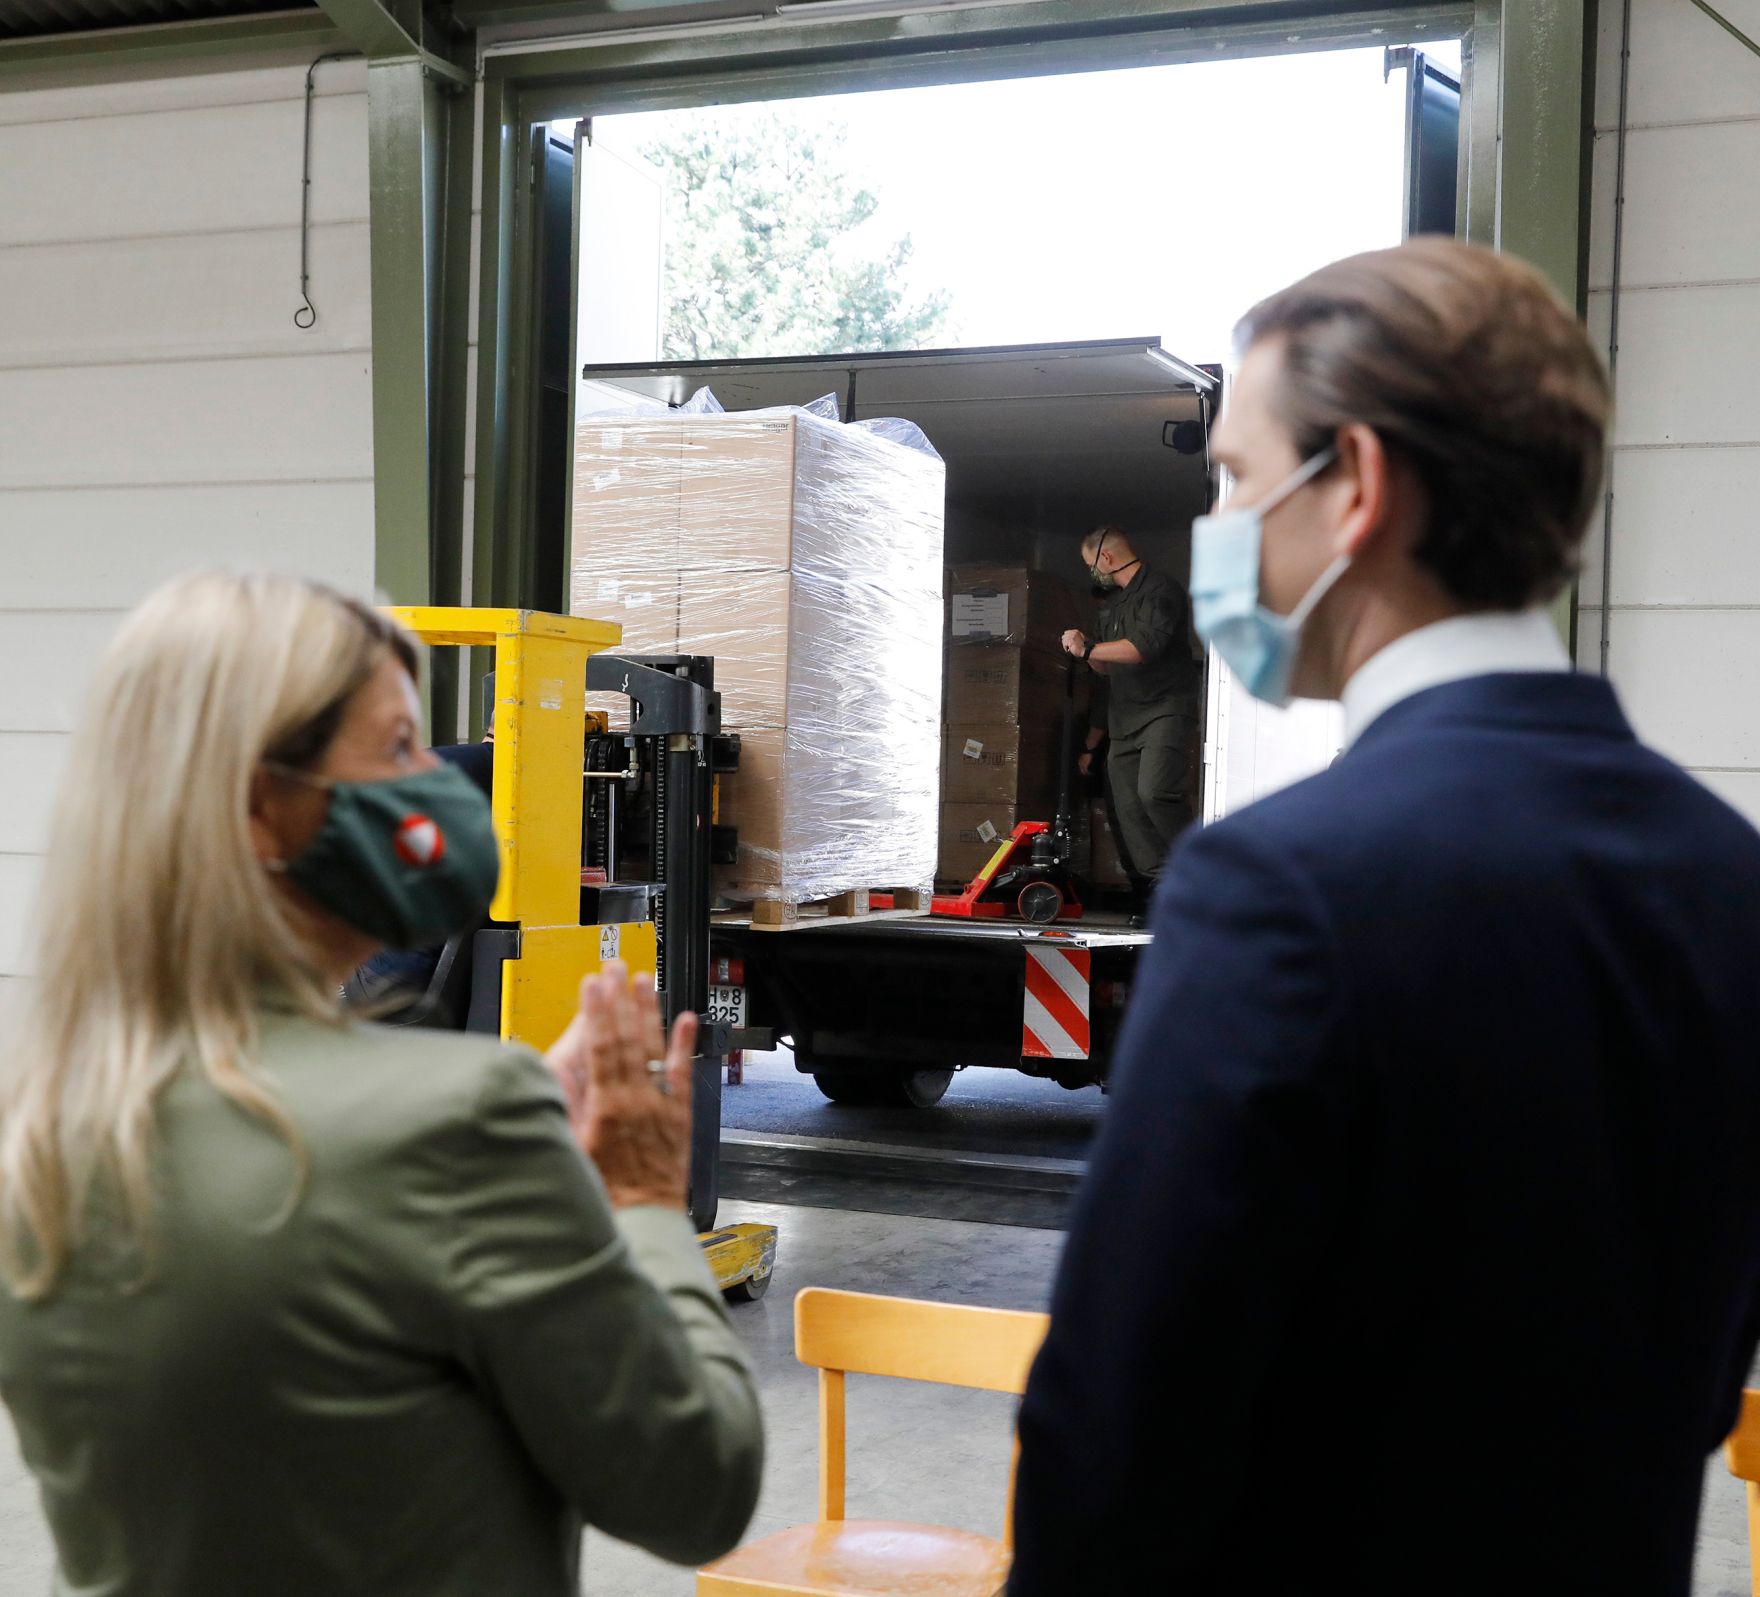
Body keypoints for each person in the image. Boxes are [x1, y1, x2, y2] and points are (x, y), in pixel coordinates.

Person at [1010, 238, 1760, 1595]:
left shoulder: (1279, 889)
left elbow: (1117, 1438)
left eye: (1238, 477)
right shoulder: (1727, 878)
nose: (1224, 523)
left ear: (1353, 484)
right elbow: (1701, 1370)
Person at [0, 572, 762, 1596]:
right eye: (400, 749)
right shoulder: (464, 1123)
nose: (441, 787)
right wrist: (637, 1201)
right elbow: (693, 1490)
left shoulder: (40, 1125)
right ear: (264, 808)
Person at [1060, 524, 1201, 893]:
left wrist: (1088, 649)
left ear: (1105, 558)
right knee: (1127, 806)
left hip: (1164, 710)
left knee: (1155, 793)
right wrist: (1087, 650)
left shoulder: (1160, 591)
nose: (1090, 570)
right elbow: (1106, 666)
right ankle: (1157, 891)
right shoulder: (1114, 604)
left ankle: (1205, 867)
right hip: (1124, 717)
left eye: (1090, 563)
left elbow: (1141, 648)